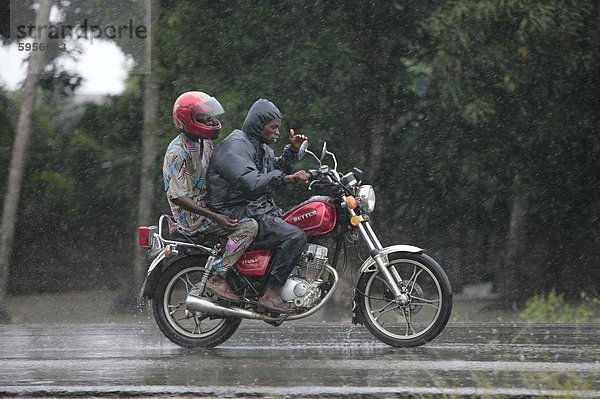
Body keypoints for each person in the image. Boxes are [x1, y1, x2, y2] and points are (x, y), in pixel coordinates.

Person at [207, 98, 309, 314]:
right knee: (295, 237)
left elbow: (275, 169)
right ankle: (271, 295)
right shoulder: (235, 146)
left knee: (300, 222)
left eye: (278, 128)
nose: (277, 132)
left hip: (256, 208)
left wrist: (291, 151)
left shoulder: (261, 147)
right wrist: (284, 177)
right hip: (234, 212)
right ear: (258, 124)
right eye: (273, 127)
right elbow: (251, 183)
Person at [164, 91, 258, 302]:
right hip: (192, 217)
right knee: (249, 227)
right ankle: (218, 276)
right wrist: (216, 217)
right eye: (203, 117)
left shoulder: (204, 142)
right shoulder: (177, 153)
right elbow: (177, 197)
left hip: (209, 205)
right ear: (186, 120)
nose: (210, 120)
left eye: (210, 115)